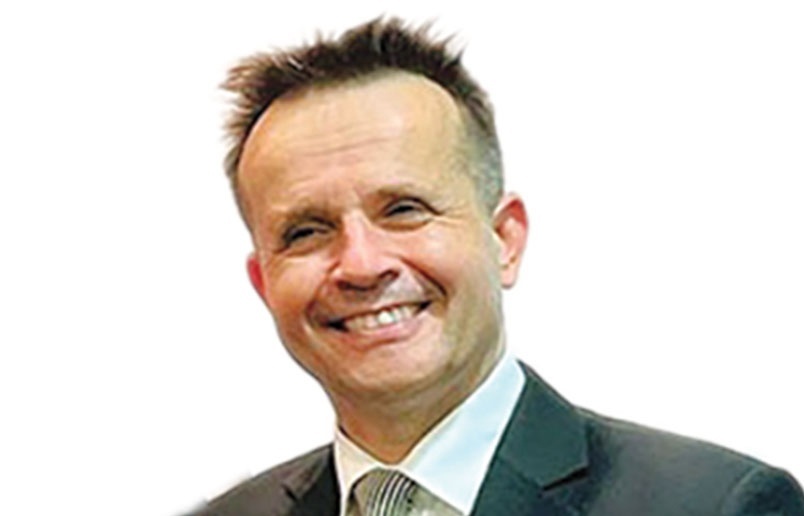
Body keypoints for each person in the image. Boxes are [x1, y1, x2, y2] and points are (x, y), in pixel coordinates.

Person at [190, 17, 804, 516]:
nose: (361, 264)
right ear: (263, 283)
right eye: (306, 232)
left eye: (403, 210)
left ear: (505, 239)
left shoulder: (716, 506)